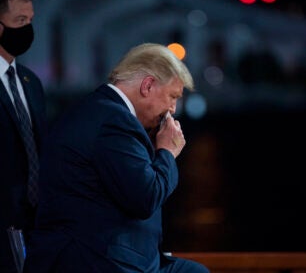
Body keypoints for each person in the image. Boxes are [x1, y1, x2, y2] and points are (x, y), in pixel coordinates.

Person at [23, 43, 209, 273]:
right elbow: (146, 198)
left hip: (103, 254)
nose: (173, 109)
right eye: (173, 96)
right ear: (148, 85)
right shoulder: (115, 121)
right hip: (96, 261)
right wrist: (167, 152)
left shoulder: (100, 110)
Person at [0, 0, 47, 272]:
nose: (27, 29)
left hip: (35, 221)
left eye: (30, 20)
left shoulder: (31, 82)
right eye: (20, 20)